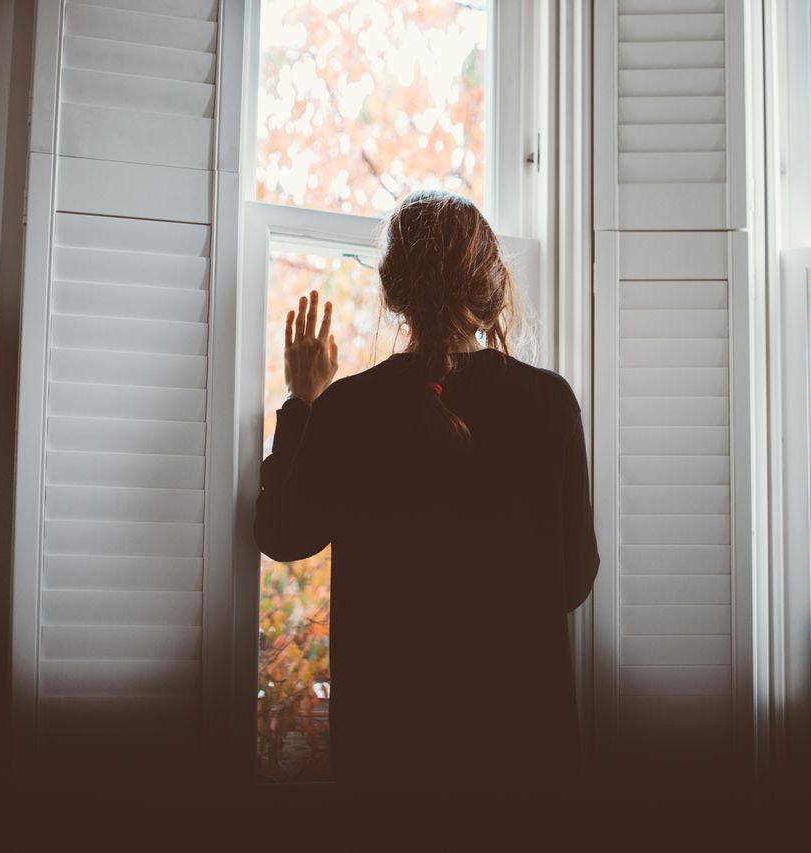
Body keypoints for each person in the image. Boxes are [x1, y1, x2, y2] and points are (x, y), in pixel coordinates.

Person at [253, 190, 600, 806]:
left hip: (390, 749)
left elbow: (282, 535)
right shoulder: (551, 403)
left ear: (392, 293)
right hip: (527, 746)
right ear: (491, 288)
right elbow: (573, 581)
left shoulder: (348, 410)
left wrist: (303, 403)